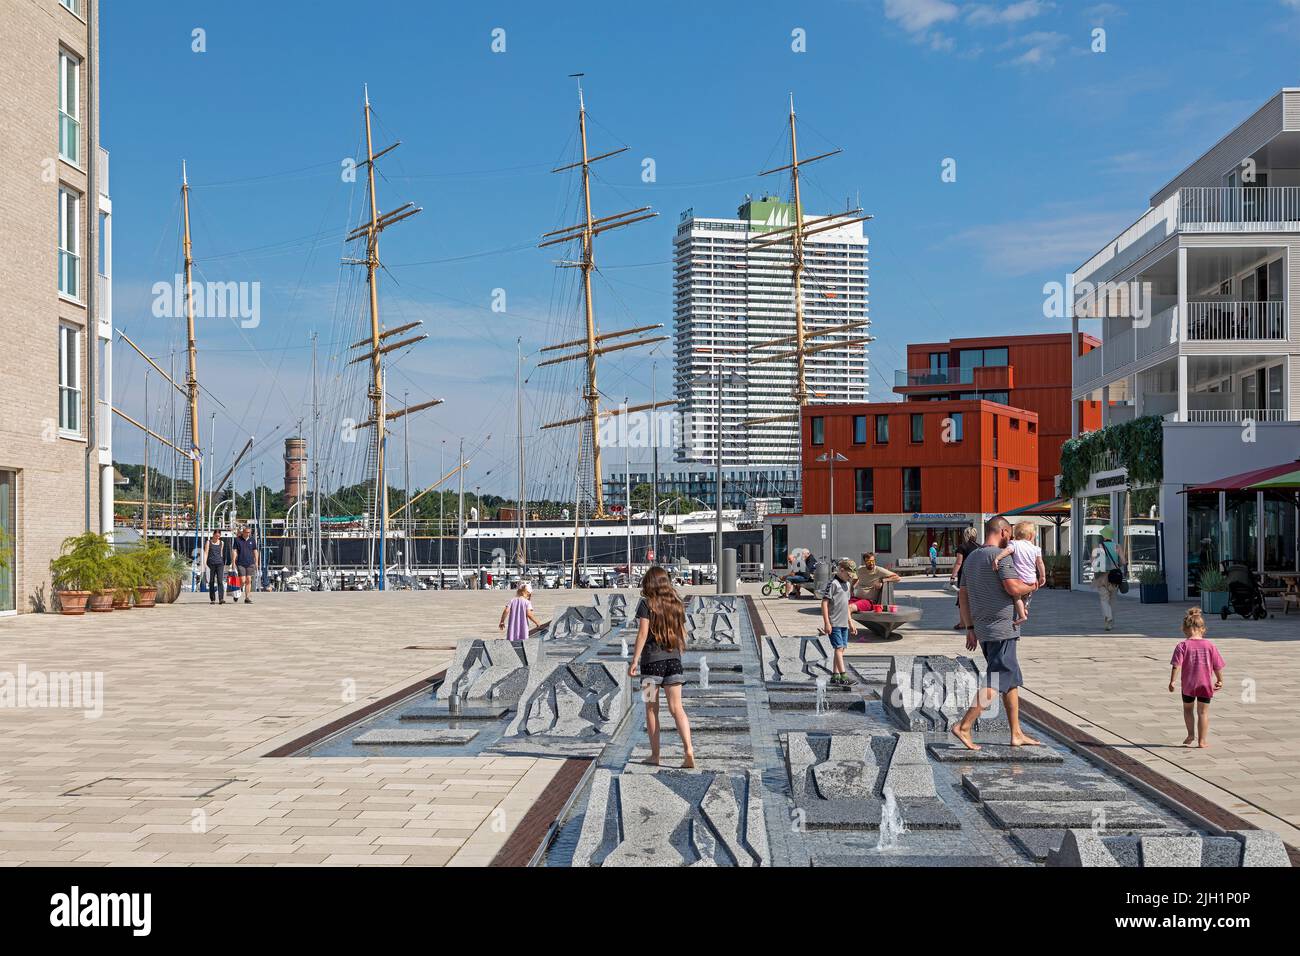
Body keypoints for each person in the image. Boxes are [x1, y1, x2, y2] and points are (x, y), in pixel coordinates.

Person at [951, 516, 1041, 751]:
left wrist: (969, 628)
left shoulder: (971, 559)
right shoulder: (999, 557)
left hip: (983, 628)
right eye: (1009, 534)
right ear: (1002, 532)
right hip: (1003, 627)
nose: (1010, 539)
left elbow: (963, 595)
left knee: (1010, 680)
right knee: (999, 678)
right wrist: (1033, 585)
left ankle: (1016, 732)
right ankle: (964, 726)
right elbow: (1013, 587)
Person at [628, 566, 694, 768]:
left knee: (650, 709)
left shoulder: (646, 604)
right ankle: (688, 750)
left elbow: (642, 634)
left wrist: (634, 661)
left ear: (650, 583)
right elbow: (682, 632)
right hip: (673, 662)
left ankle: (655, 755)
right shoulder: (677, 604)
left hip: (650, 666)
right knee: (677, 709)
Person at [1169, 607, 1226, 749]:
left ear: (1184, 629)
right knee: (1203, 712)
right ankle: (1202, 741)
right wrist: (1220, 680)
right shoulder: (1210, 646)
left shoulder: (1182, 645)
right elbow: (1217, 666)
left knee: (1188, 710)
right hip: (1205, 685)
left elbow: (1176, 665)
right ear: (1203, 629)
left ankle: (1190, 735)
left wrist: (1172, 681)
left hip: (1188, 685)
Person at [993, 521, 1046, 625]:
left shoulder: (1014, 544)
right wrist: (1043, 576)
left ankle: (1022, 615)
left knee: (1017, 597)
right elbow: (1040, 563)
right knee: (1027, 595)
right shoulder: (1036, 549)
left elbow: (1007, 551)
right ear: (1031, 536)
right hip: (1031, 578)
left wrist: (997, 558)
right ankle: (1026, 607)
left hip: (1020, 579)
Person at [819, 559, 860, 686]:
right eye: (848, 575)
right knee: (838, 648)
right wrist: (827, 623)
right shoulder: (833, 584)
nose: (850, 578)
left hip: (843, 623)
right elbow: (824, 603)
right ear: (841, 570)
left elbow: (847, 605)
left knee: (841, 650)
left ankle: (835, 675)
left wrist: (850, 622)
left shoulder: (847, 585)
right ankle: (844, 676)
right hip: (834, 622)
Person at [1090, 525, 1123, 632]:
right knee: (1113, 600)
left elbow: (1093, 562)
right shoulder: (1117, 547)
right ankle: (1111, 623)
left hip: (1102, 577)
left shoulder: (1098, 547)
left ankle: (1108, 618)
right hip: (1114, 577)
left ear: (1104, 536)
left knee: (1104, 599)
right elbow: (1123, 561)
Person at [950, 526, 979, 629]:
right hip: (976, 575)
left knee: (962, 599)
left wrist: (952, 577)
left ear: (965, 535)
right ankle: (975, 622)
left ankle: (963, 623)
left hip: (964, 576)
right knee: (974, 598)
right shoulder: (979, 547)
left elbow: (958, 562)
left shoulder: (962, 547)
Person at [202, 530, 231, 606]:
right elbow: (206, 553)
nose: (217, 537)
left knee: (220, 581)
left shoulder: (222, 543)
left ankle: (221, 598)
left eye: (219, 536)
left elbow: (221, 553)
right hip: (211, 564)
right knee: (211, 581)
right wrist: (204, 563)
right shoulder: (208, 542)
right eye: (216, 536)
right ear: (213, 535)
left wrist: (222, 562)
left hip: (219, 564)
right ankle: (212, 599)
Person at [232, 526, 258, 604]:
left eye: (249, 532)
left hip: (250, 563)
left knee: (249, 580)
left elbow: (255, 551)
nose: (248, 534)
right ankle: (237, 592)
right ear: (243, 532)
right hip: (240, 562)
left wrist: (256, 561)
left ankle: (247, 598)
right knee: (242, 580)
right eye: (246, 532)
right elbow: (235, 551)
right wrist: (233, 561)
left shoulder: (252, 540)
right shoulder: (237, 540)